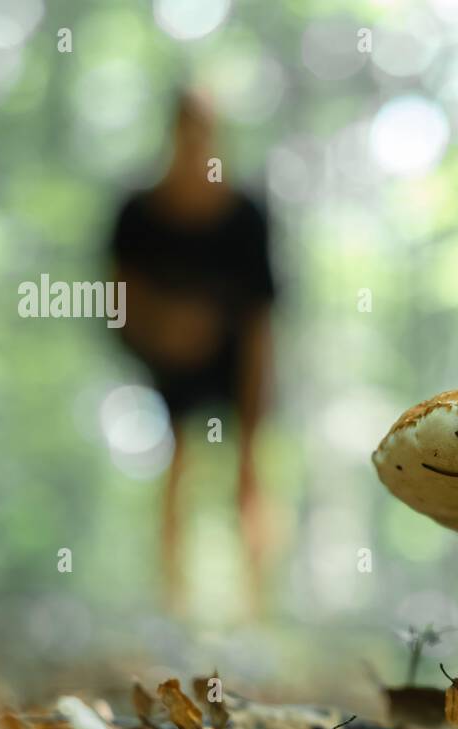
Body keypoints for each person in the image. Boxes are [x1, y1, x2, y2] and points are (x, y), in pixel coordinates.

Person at [108, 90, 277, 617]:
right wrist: (164, 328)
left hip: (238, 366)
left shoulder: (247, 217)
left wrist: (252, 429)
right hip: (167, 369)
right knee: (174, 466)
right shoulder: (137, 214)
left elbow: (262, 324)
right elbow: (115, 304)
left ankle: (256, 609)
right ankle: (170, 604)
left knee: (250, 476)